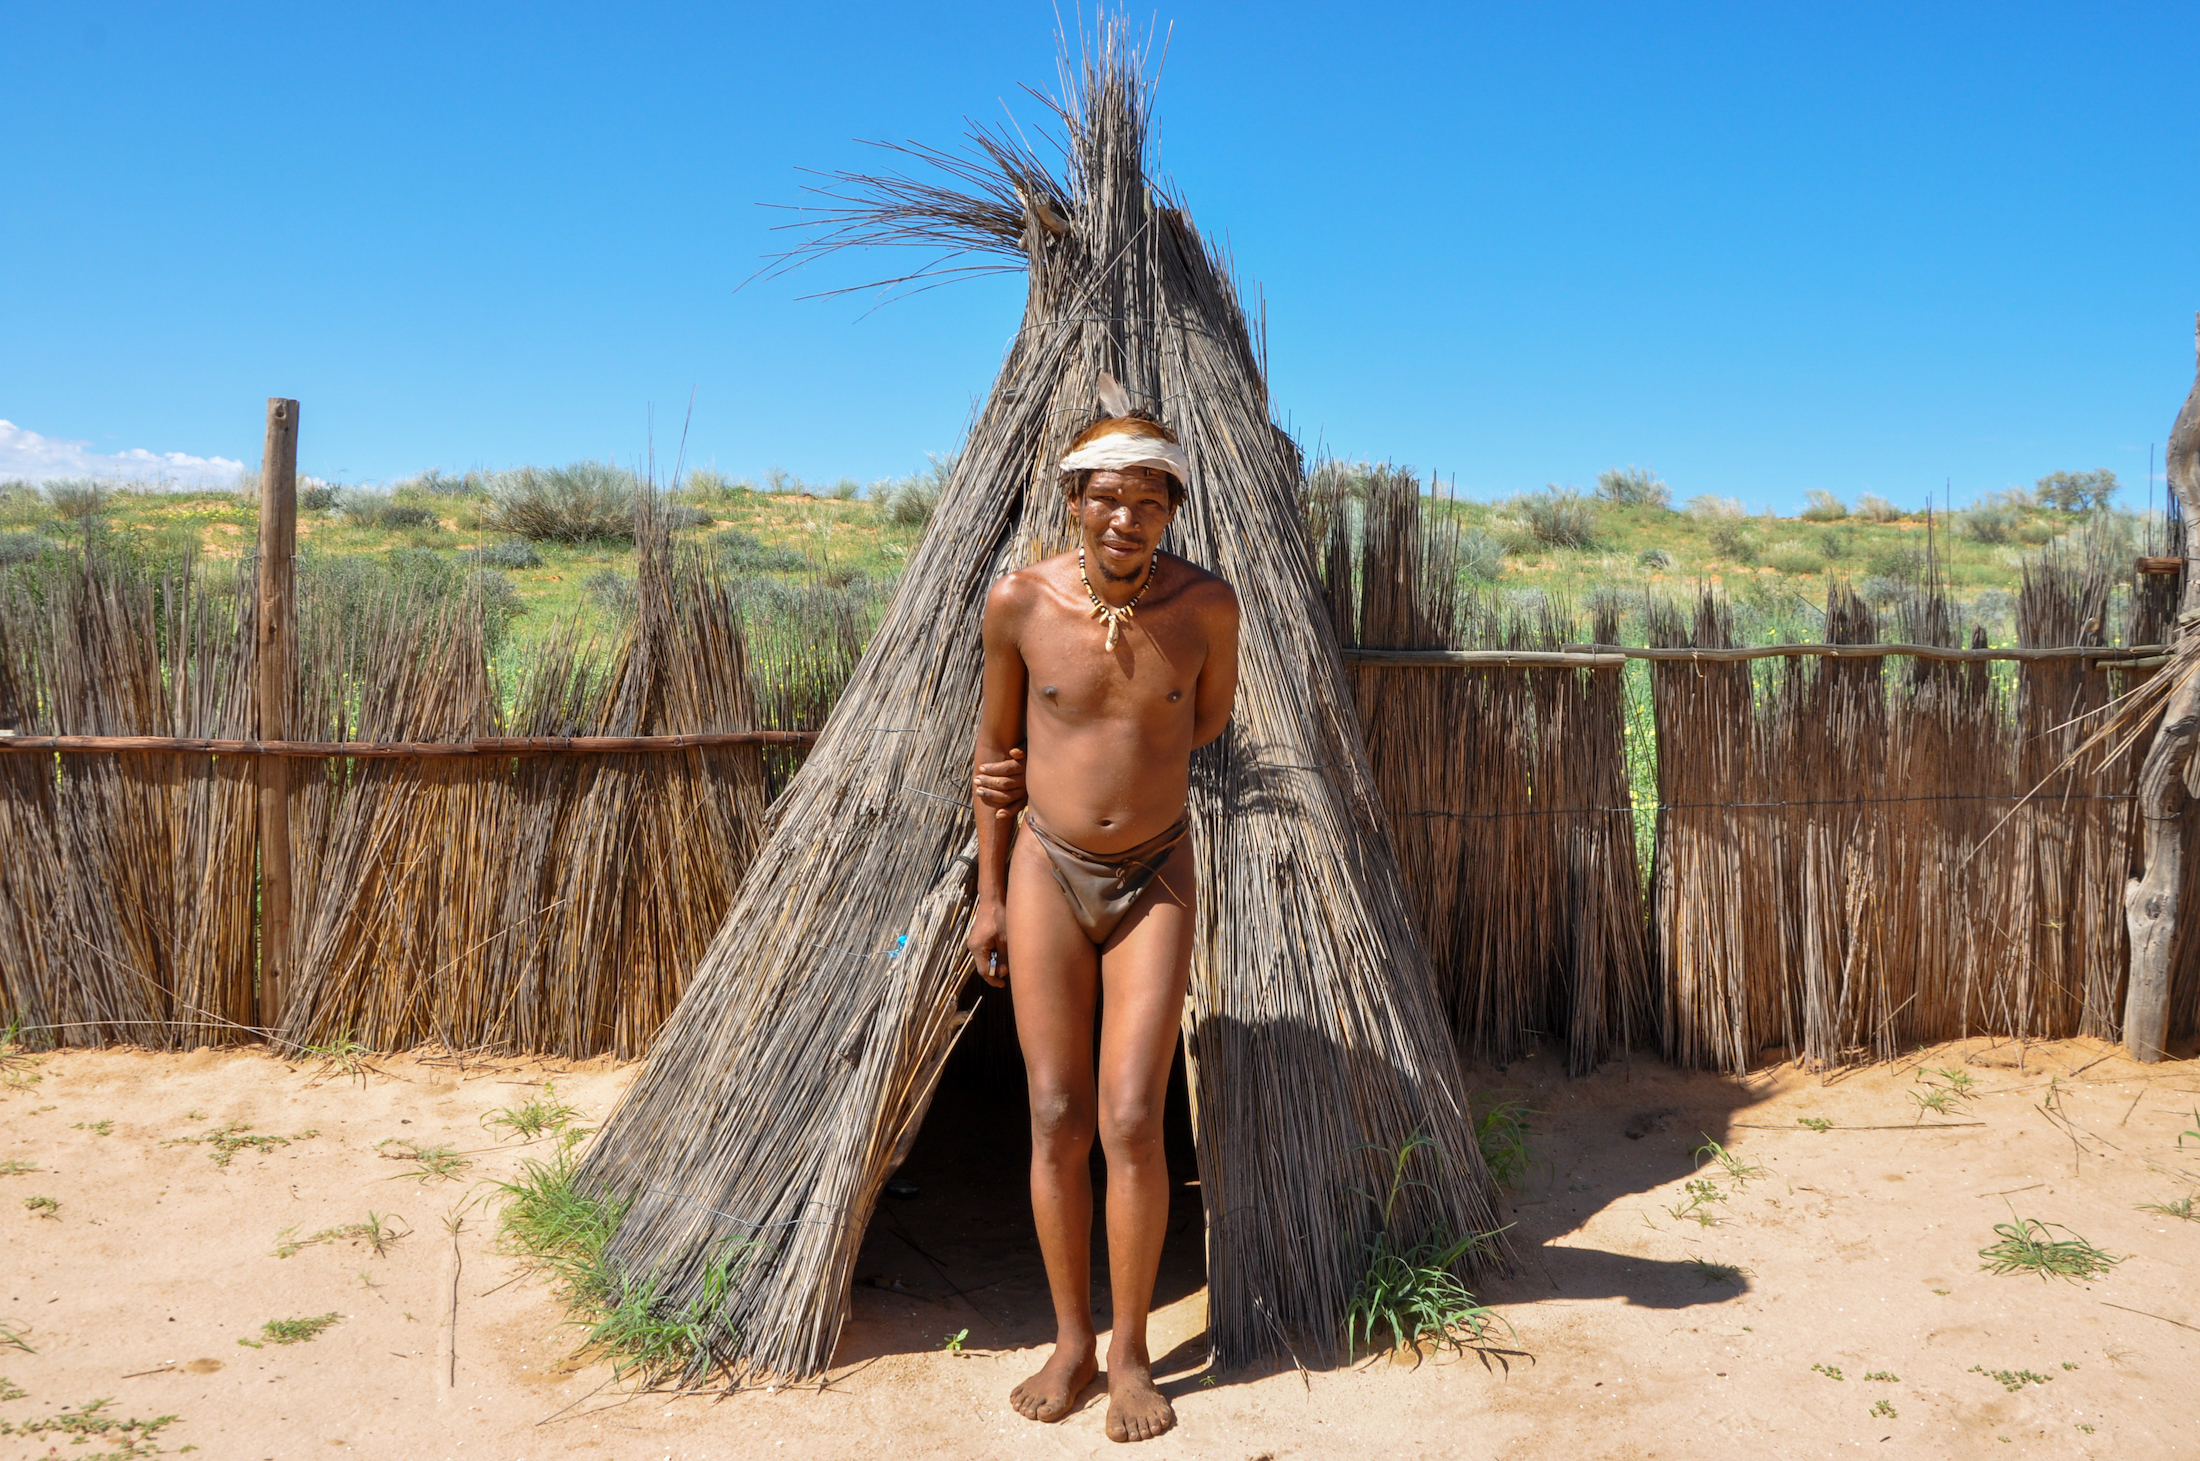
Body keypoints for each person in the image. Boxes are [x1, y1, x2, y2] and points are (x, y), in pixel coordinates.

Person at [966, 407, 1239, 1444]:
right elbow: (995, 759)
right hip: (1045, 865)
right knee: (1054, 1112)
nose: (1127, 517)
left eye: (1148, 499)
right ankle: (1070, 1342)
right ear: (1073, 502)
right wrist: (991, 894)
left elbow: (1199, 716)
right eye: (1107, 497)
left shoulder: (1206, 605)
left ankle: (1130, 1355)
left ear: (1171, 508)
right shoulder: (1019, 602)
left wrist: (1141, 760)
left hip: (1156, 871)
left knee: (1132, 1115)